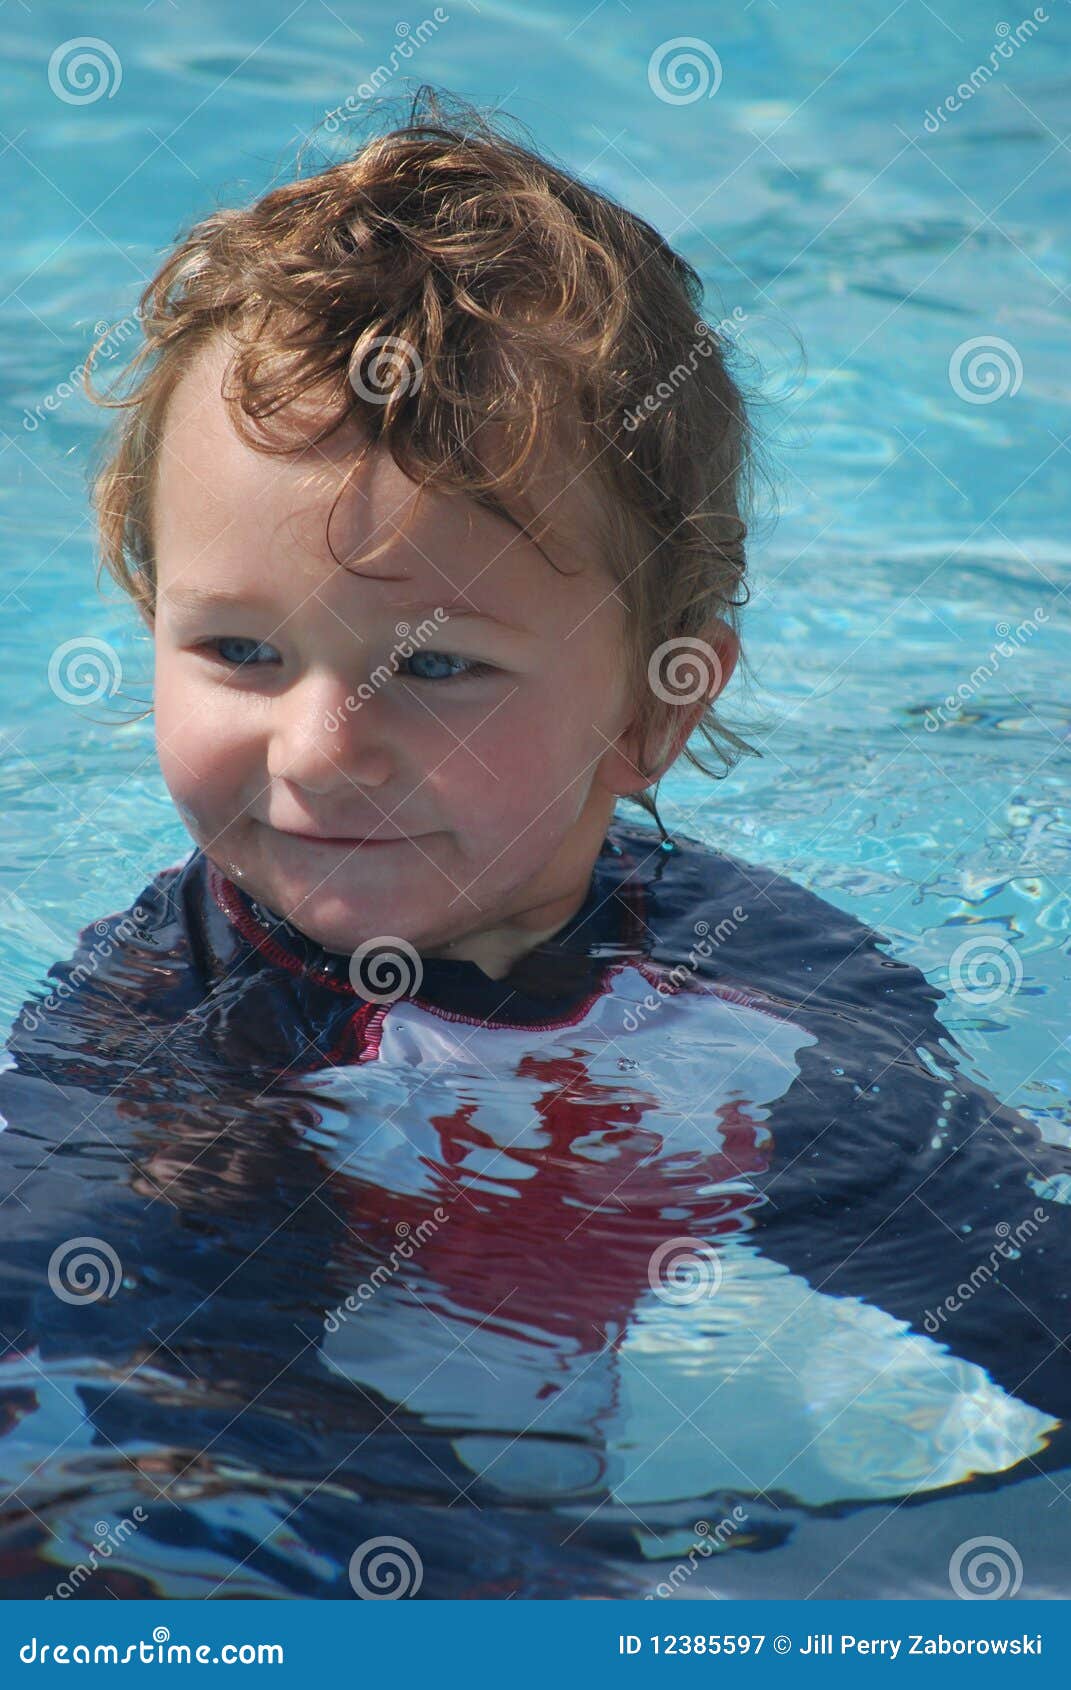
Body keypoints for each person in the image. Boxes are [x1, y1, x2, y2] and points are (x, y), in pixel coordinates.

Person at [2, 88, 1069, 1595]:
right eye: (239, 651)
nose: (318, 749)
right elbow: (149, 1410)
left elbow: (1014, 1275)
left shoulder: (760, 987)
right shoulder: (163, 1049)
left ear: (653, 710)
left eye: (436, 666)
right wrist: (600, 1594)